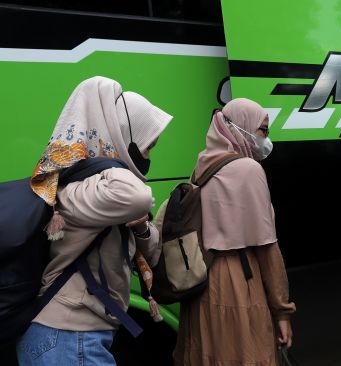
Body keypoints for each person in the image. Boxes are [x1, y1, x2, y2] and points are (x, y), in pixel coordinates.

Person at [16, 76, 172, 365]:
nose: (148, 156)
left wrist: (140, 227)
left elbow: (151, 253)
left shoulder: (106, 194)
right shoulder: (78, 192)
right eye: (146, 145)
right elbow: (137, 197)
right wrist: (115, 158)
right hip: (67, 337)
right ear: (121, 136)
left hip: (78, 338)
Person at [173, 98, 295, 366]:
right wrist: (282, 312)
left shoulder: (202, 165)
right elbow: (266, 247)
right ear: (242, 128)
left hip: (203, 282)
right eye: (262, 130)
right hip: (239, 281)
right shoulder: (248, 169)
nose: (265, 138)